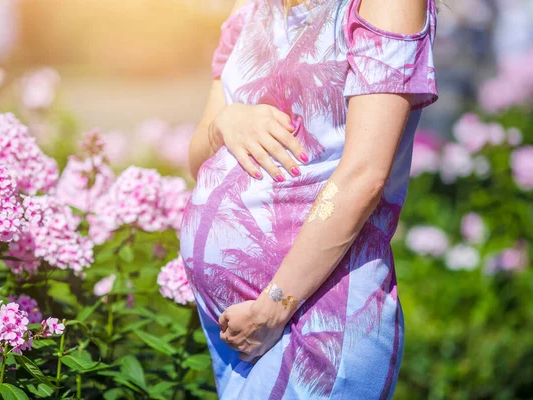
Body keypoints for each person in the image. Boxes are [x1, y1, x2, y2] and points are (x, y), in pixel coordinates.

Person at [179, 0, 438, 397]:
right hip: (240, 331)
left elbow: (365, 174)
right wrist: (224, 124)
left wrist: (272, 308)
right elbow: (197, 158)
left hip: (313, 321)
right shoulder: (251, 10)